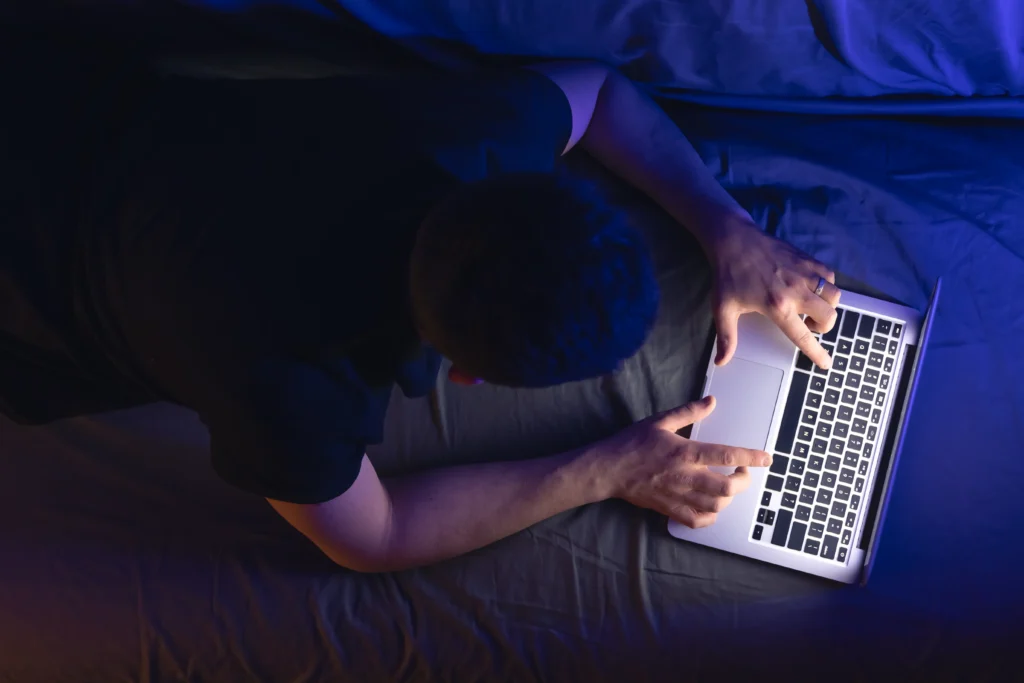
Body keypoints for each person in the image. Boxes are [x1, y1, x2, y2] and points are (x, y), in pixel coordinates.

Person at [0, 30, 841, 573]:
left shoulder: (464, 137)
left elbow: (595, 92)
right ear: (467, 377)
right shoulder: (291, 396)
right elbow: (375, 536)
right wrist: (608, 468)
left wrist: (728, 230)